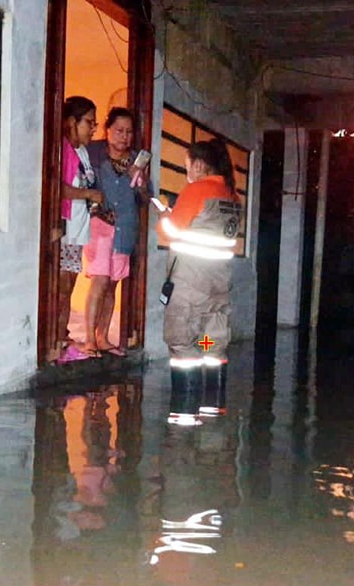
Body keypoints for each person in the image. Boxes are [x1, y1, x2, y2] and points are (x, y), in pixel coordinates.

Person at [156, 139, 240, 393]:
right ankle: (213, 409)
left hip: (190, 289)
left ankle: (184, 413)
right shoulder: (232, 196)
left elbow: (170, 232)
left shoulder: (196, 190)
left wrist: (164, 216)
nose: (188, 172)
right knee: (211, 345)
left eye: (188, 166)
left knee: (183, 346)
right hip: (218, 289)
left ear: (200, 165)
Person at [82, 107, 149, 357]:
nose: (124, 136)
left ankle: (102, 337)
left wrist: (140, 181)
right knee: (99, 280)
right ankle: (89, 338)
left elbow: (145, 198)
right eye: (119, 130)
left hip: (125, 229)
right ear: (107, 129)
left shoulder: (136, 161)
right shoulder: (93, 153)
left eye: (129, 132)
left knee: (112, 284)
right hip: (99, 227)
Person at [58, 96, 102, 356]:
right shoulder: (61, 149)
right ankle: (56, 338)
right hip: (65, 229)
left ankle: (62, 336)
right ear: (71, 122)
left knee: (70, 286)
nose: (93, 128)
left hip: (79, 229)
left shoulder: (83, 152)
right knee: (61, 287)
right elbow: (58, 188)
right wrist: (88, 195)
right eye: (89, 122)